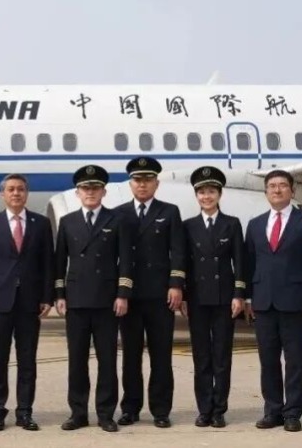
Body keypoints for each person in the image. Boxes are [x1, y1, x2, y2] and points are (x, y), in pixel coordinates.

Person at [55, 164, 132, 433]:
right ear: (77, 192)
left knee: (107, 360)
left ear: (103, 192)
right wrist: (59, 294)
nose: (90, 192)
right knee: (77, 361)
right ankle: (78, 413)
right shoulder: (68, 222)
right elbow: (59, 262)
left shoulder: (116, 220)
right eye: (85, 188)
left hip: (107, 300)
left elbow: (126, 261)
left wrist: (123, 294)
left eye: (95, 188)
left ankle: (106, 413)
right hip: (76, 300)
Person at [244, 169, 302, 432]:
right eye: (272, 186)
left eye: (282, 185)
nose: (277, 190)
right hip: (263, 303)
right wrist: (248, 298)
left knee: (295, 361)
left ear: (292, 190)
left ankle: (293, 413)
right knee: (268, 361)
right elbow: (249, 264)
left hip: (295, 302)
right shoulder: (255, 224)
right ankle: (273, 410)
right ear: (266, 191)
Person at [0, 174, 54, 432]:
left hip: (30, 303)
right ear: (3, 194)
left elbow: (48, 263)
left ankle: (25, 412)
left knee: (27, 361)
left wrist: (47, 297)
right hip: (0, 303)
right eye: (11, 189)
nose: (16, 193)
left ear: (27, 193)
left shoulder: (41, 224)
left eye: (21, 189)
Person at [115, 156, 185, 428]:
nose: (142, 185)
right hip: (130, 296)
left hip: (160, 295)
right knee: (130, 356)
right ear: (130, 184)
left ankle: (161, 410)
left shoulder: (169, 212)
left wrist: (176, 284)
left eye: (147, 180)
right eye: (137, 180)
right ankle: (130, 408)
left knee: (161, 355)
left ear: (156, 183)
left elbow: (177, 251)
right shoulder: (119, 213)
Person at [181, 167, 245, 428]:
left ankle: (219, 409)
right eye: (202, 192)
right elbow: (183, 263)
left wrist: (239, 294)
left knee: (221, 356)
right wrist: (184, 296)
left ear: (219, 194)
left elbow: (239, 262)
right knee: (201, 357)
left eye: (211, 191)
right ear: (196, 196)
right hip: (197, 299)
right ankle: (204, 409)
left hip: (223, 298)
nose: (206, 196)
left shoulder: (232, 224)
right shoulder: (188, 226)